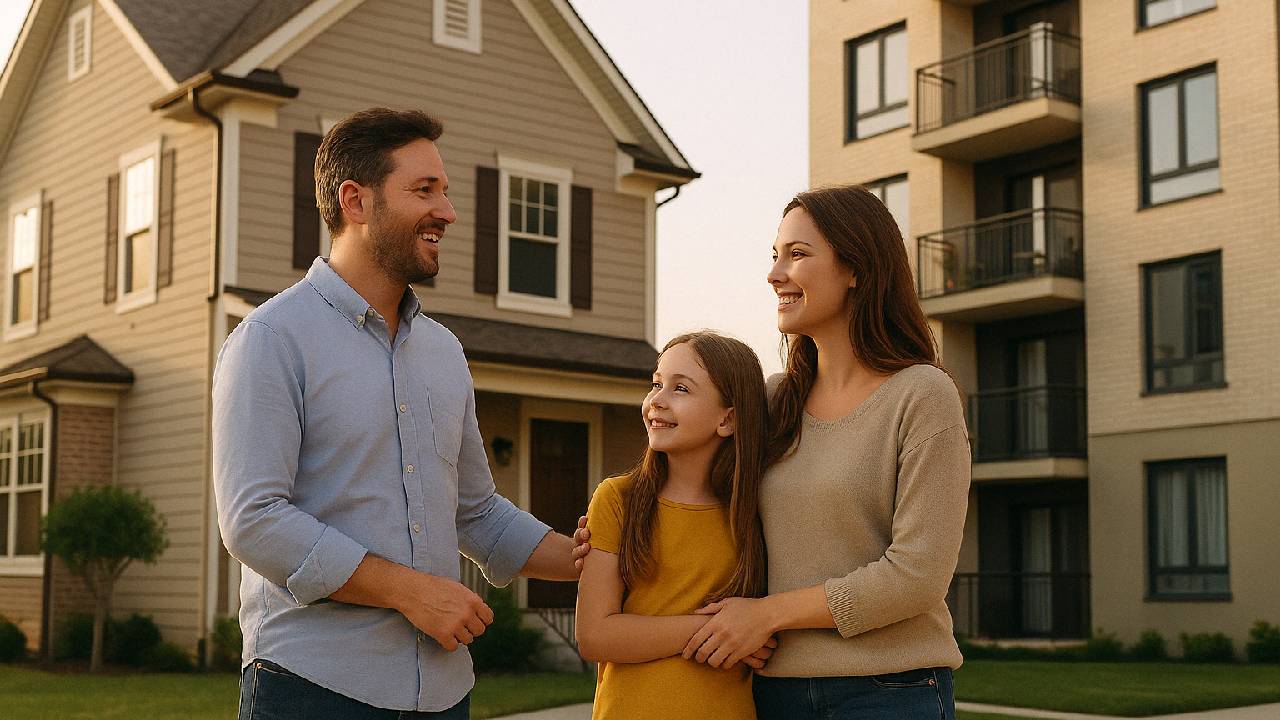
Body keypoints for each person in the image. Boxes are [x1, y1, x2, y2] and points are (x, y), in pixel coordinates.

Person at [213, 107, 580, 720]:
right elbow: (253, 519)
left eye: (445, 190)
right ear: (354, 201)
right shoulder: (272, 338)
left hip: (444, 694)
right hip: (313, 690)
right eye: (424, 190)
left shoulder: (444, 352)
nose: (449, 211)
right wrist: (412, 592)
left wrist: (598, 560)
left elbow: (478, 515)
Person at [570, 185, 971, 719]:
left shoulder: (922, 394)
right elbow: (690, 486)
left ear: (857, 269)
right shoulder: (771, 401)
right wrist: (609, 537)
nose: (775, 273)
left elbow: (917, 576)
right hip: (770, 693)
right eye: (775, 255)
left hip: (887, 691)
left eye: (798, 255)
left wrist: (767, 615)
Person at [575, 331, 776, 720]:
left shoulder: (755, 512)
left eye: (680, 389)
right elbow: (595, 635)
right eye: (656, 384)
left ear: (728, 419)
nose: (657, 401)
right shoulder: (619, 499)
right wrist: (720, 631)